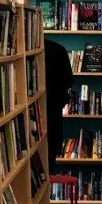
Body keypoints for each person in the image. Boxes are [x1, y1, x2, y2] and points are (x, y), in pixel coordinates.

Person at [44, 39, 74, 172]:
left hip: (30, 115)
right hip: (52, 115)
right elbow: (69, 81)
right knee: (48, 165)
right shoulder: (57, 49)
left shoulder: (23, 50)